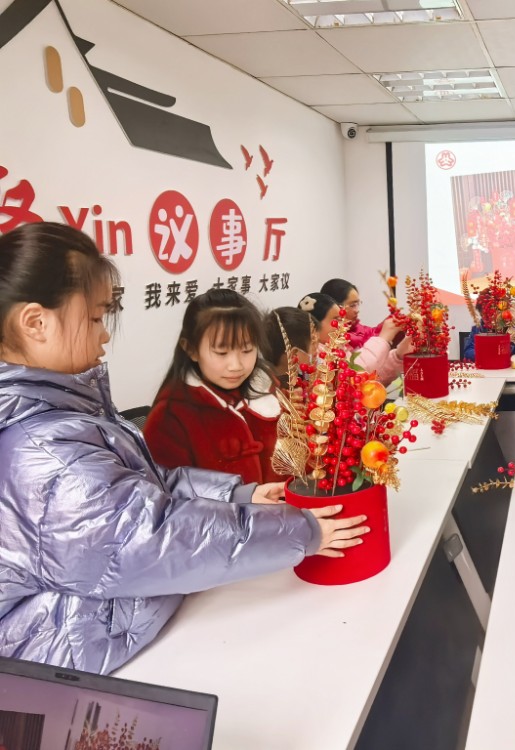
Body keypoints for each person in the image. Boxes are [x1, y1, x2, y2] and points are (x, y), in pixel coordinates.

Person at [0, 223, 366, 674]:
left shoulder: (63, 415)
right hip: (86, 671)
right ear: (36, 323)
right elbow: (154, 536)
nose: (104, 336)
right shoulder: (44, 452)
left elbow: (148, 487)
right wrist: (300, 532)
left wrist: (239, 495)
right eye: (95, 319)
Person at [144, 289, 283, 484]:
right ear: (191, 349)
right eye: (221, 353)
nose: (236, 365)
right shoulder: (169, 419)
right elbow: (168, 493)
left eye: (247, 350)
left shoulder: (268, 391)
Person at [298, 291, 409, 384]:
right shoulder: (312, 357)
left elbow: (364, 378)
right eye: (336, 320)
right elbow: (355, 374)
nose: (341, 325)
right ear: (313, 326)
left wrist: (397, 356)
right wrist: (383, 338)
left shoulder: (339, 348)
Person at [263, 306, 316, 389]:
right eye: (314, 344)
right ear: (294, 354)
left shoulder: (303, 375)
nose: (318, 350)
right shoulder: (289, 392)